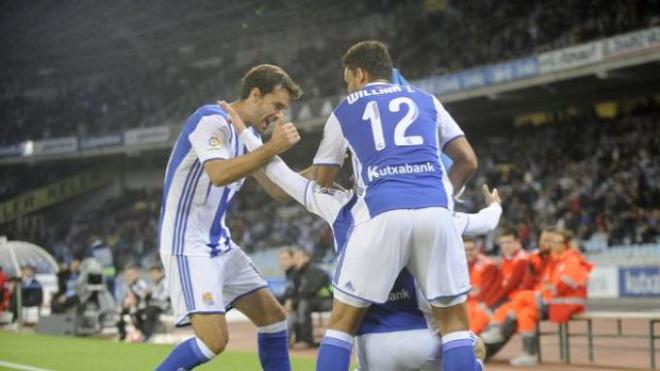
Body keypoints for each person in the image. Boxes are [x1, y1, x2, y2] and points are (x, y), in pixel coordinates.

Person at [219, 100, 491, 370]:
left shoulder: (336, 206)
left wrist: (245, 134)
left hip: (371, 345)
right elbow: (484, 222)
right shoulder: (427, 210)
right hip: (424, 340)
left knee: (340, 331)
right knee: (470, 347)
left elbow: (281, 176)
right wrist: (496, 206)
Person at [309, 40, 479, 371]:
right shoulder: (426, 99)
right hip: (435, 212)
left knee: (342, 323)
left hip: (381, 213)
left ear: (358, 74)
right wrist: (444, 194)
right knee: (455, 324)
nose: (349, 85)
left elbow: (323, 179)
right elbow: (467, 161)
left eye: (348, 79)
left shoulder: (346, 108)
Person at [156, 64, 302, 371]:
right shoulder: (211, 120)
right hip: (188, 243)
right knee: (213, 341)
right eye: (276, 106)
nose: (278, 115)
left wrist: (326, 168)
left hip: (219, 244)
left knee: (273, 318)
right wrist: (273, 147)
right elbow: (219, 174)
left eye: (284, 110)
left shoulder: (247, 135)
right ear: (254, 94)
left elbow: (279, 189)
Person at [481, 229, 593, 366]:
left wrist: (545, 290)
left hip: (564, 304)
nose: (552, 245)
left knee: (521, 297)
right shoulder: (555, 259)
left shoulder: (570, 260)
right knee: (524, 313)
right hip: (554, 302)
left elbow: (558, 287)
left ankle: (498, 329)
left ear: (567, 244)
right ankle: (529, 355)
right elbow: (548, 285)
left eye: (555, 242)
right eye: (550, 241)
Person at [290, 249, 332, 348]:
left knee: (303, 304)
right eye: (295, 259)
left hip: (326, 301)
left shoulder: (316, 272)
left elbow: (310, 291)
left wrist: (293, 302)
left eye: (298, 258)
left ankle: (306, 340)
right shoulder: (297, 274)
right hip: (310, 301)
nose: (296, 261)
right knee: (300, 305)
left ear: (307, 258)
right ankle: (297, 339)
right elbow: (295, 292)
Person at [464, 237, 501, 335]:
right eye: (465, 250)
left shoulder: (488, 265)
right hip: (469, 305)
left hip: (485, 305)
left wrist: (485, 303)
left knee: (472, 328)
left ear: (477, 249)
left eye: (471, 249)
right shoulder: (458, 265)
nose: (468, 252)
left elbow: (491, 289)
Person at [494, 227, 531, 304]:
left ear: (518, 242)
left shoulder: (523, 259)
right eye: (502, 243)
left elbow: (512, 284)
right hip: (507, 298)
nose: (505, 246)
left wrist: (492, 298)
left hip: (517, 300)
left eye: (509, 242)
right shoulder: (505, 260)